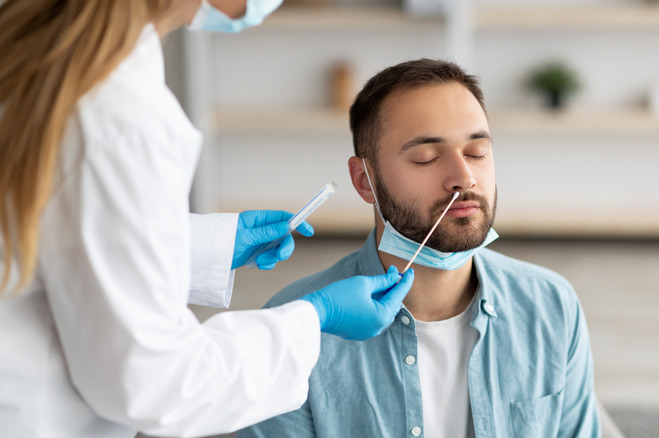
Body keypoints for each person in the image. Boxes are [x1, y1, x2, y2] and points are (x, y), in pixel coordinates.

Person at [0, 1, 413, 437]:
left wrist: (199, 245)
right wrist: (314, 319)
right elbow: (154, 383)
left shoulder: (42, 53)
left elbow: (51, 228)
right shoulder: (120, 117)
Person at [240, 58, 601, 438]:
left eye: (477, 152)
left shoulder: (552, 306)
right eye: (426, 158)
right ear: (365, 180)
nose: (464, 178)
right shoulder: (294, 328)